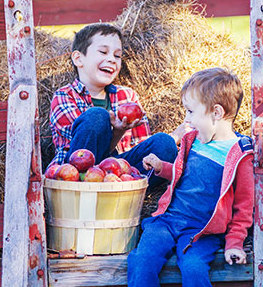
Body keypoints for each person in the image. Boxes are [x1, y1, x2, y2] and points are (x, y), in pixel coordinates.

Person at [127, 67, 253, 287]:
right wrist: (160, 167)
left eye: (191, 111)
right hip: (168, 220)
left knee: (194, 267)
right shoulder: (192, 140)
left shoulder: (239, 154)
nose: (186, 119)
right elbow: (181, 173)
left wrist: (234, 243)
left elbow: (243, 207)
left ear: (216, 113)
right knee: (142, 258)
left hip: (202, 231)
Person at [48, 22, 179, 187]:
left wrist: (121, 133)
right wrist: (116, 133)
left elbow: (141, 147)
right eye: (103, 52)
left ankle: (128, 195)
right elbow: (81, 154)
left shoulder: (127, 96)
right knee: (97, 116)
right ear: (78, 58)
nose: (111, 59)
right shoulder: (64, 96)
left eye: (117, 56)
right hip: (78, 175)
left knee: (164, 143)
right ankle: (87, 195)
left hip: (119, 173)